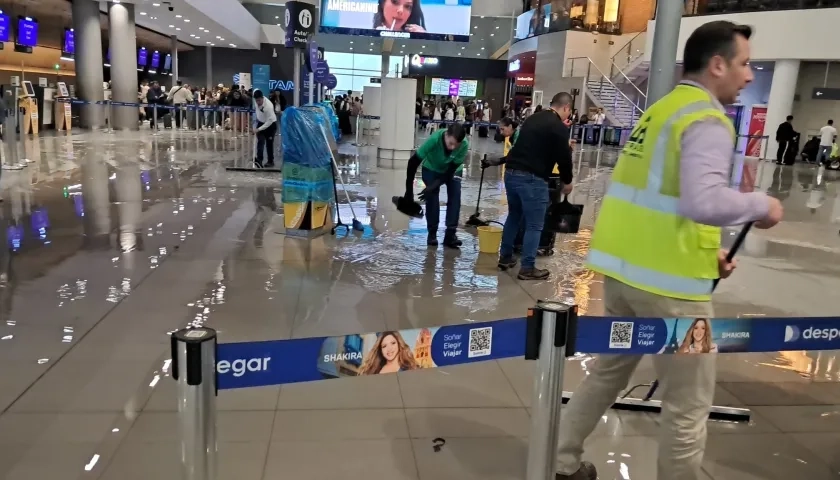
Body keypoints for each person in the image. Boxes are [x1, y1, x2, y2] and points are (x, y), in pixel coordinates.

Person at [554, 21, 783, 480]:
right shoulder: (706, 119)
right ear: (717, 65)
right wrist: (763, 204)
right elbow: (704, 201)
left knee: (607, 374)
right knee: (688, 402)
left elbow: (661, 200)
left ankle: (560, 461)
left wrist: (706, 255)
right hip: (671, 291)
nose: (750, 74)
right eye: (744, 63)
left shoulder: (662, 111)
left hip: (625, 275)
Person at [483, 92, 574, 280]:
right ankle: (527, 268)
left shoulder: (532, 119)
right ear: (565, 108)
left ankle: (506, 257)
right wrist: (567, 180)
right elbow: (563, 157)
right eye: (569, 112)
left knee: (514, 216)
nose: (568, 115)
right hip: (532, 178)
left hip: (511, 174)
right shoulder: (558, 127)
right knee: (534, 224)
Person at [403, 123, 469, 248]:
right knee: (432, 197)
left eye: (456, 145)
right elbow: (412, 163)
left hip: (452, 170)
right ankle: (432, 233)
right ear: (446, 135)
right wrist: (409, 191)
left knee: (455, 196)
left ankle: (450, 234)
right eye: (450, 143)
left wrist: (435, 185)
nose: (452, 147)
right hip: (431, 168)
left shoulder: (464, 144)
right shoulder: (435, 139)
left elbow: (450, 171)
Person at [252, 90, 278, 169]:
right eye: (256, 100)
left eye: (259, 100)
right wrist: (255, 124)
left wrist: (258, 129)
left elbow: (269, 122)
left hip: (271, 125)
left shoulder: (268, 106)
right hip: (261, 122)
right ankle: (259, 160)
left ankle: (271, 161)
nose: (258, 102)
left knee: (269, 144)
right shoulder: (256, 101)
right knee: (260, 141)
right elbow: (258, 113)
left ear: (262, 98)